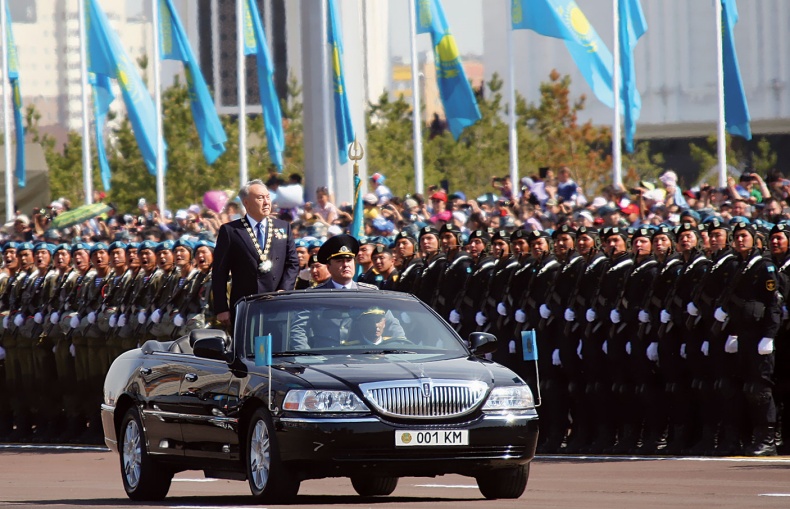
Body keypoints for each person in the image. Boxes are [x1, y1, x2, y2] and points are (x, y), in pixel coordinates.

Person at [213, 179, 299, 327]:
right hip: (246, 304)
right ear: (246, 202)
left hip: (276, 304)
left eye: (267, 197)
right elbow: (220, 272)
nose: (266, 202)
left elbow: (293, 263)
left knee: (276, 347)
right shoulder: (231, 231)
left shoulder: (283, 227)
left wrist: (284, 290)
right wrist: (221, 307)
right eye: (260, 198)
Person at [313, 235, 377, 290]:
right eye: (339, 261)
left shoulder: (368, 291)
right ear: (328, 267)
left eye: (349, 260)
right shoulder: (317, 293)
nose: (345, 265)